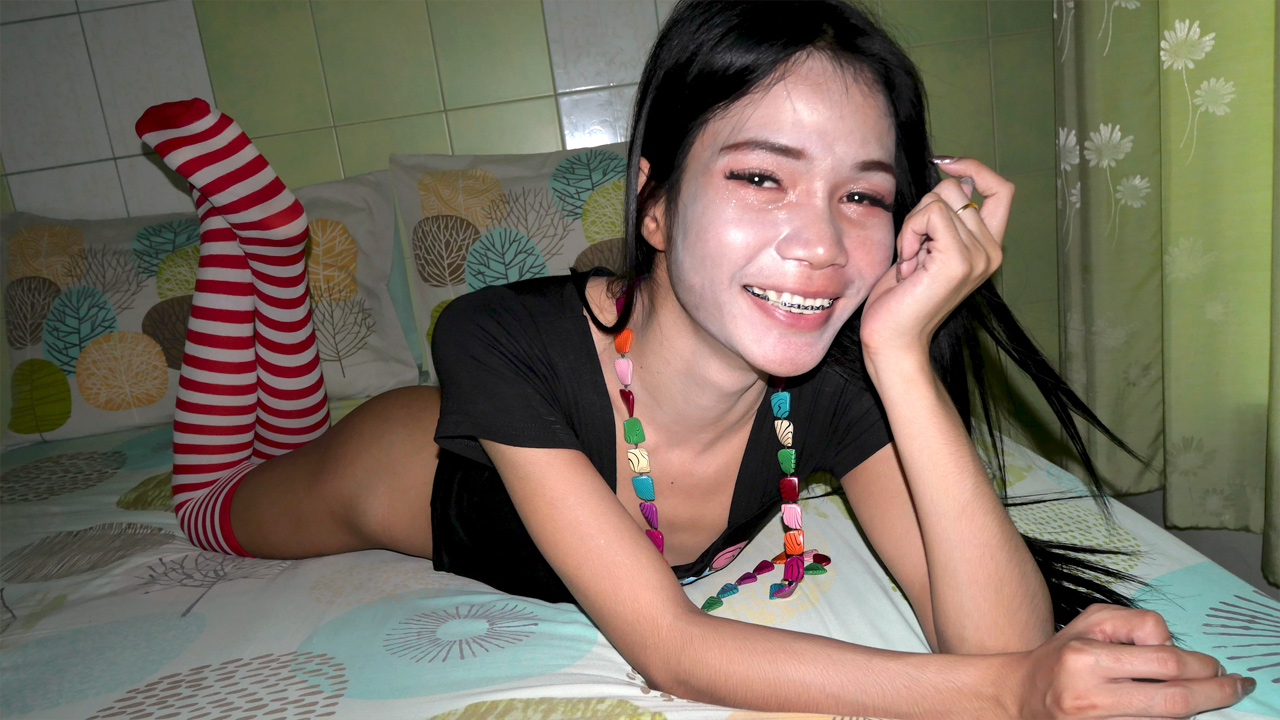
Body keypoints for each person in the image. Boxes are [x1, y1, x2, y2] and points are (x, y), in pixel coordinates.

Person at [133, 1, 1254, 716]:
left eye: (862, 195)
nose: (821, 245)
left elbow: (993, 638)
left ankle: (274, 257)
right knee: (224, 487)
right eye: (760, 176)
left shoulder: (832, 383)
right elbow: (671, 651)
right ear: (654, 203)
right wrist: (1011, 695)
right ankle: (262, 239)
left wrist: (900, 350)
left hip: (374, 433)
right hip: (321, 480)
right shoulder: (493, 336)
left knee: (290, 413)